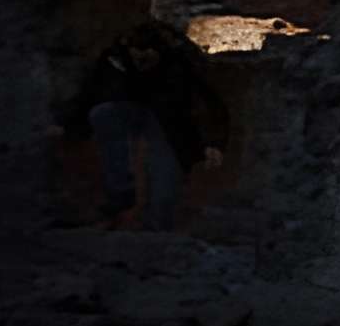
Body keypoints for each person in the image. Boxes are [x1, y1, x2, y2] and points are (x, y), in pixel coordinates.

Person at [60, 20, 230, 230]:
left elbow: (205, 101)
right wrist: (69, 128)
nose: (141, 62)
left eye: (147, 57)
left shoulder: (181, 63)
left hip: (172, 124)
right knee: (103, 114)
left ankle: (158, 226)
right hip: (132, 112)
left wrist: (212, 141)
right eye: (136, 55)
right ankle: (121, 198)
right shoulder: (115, 61)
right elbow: (90, 94)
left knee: (164, 178)